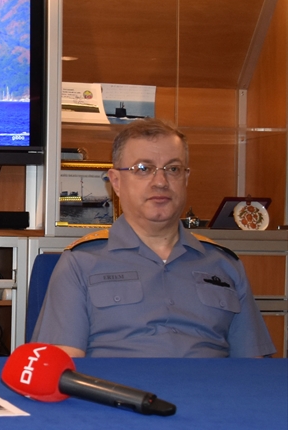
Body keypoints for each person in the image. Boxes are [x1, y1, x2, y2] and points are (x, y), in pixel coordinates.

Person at [32, 118, 274, 358]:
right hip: (117, 384)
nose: (160, 182)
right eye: (143, 169)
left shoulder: (224, 265)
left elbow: (253, 366)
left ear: (186, 179)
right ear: (116, 182)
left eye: (173, 169)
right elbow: (62, 366)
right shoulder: (80, 263)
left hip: (211, 384)